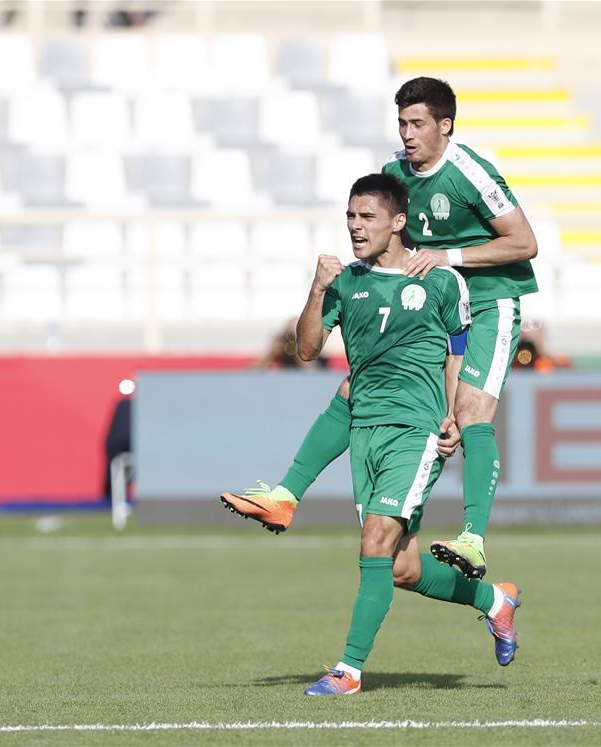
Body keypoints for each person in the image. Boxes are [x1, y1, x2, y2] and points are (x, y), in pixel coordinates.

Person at [225, 77, 538, 581]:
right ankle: (285, 495)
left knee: (472, 410)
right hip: (425, 302)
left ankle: (474, 538)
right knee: (359, 385)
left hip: (486, 302)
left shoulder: (469, 173)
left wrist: (447, 256)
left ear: (445, 125)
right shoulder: (396, 173)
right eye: (401, 123)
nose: (408, 133)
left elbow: (524, 243)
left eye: (417, 123)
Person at [221, 175, 521, 695]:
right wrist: (316, 289)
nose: (356, 228)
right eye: (350, 218)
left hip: (415, 433)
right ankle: (495, 601)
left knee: (374, 540)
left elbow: (455, 353)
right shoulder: (345, 282)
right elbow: (308, 349)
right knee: (402, 568)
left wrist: (452, 413)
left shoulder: (440, 281)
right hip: (365, 434)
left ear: (398, 222)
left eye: (367, 217)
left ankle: (349, 670)